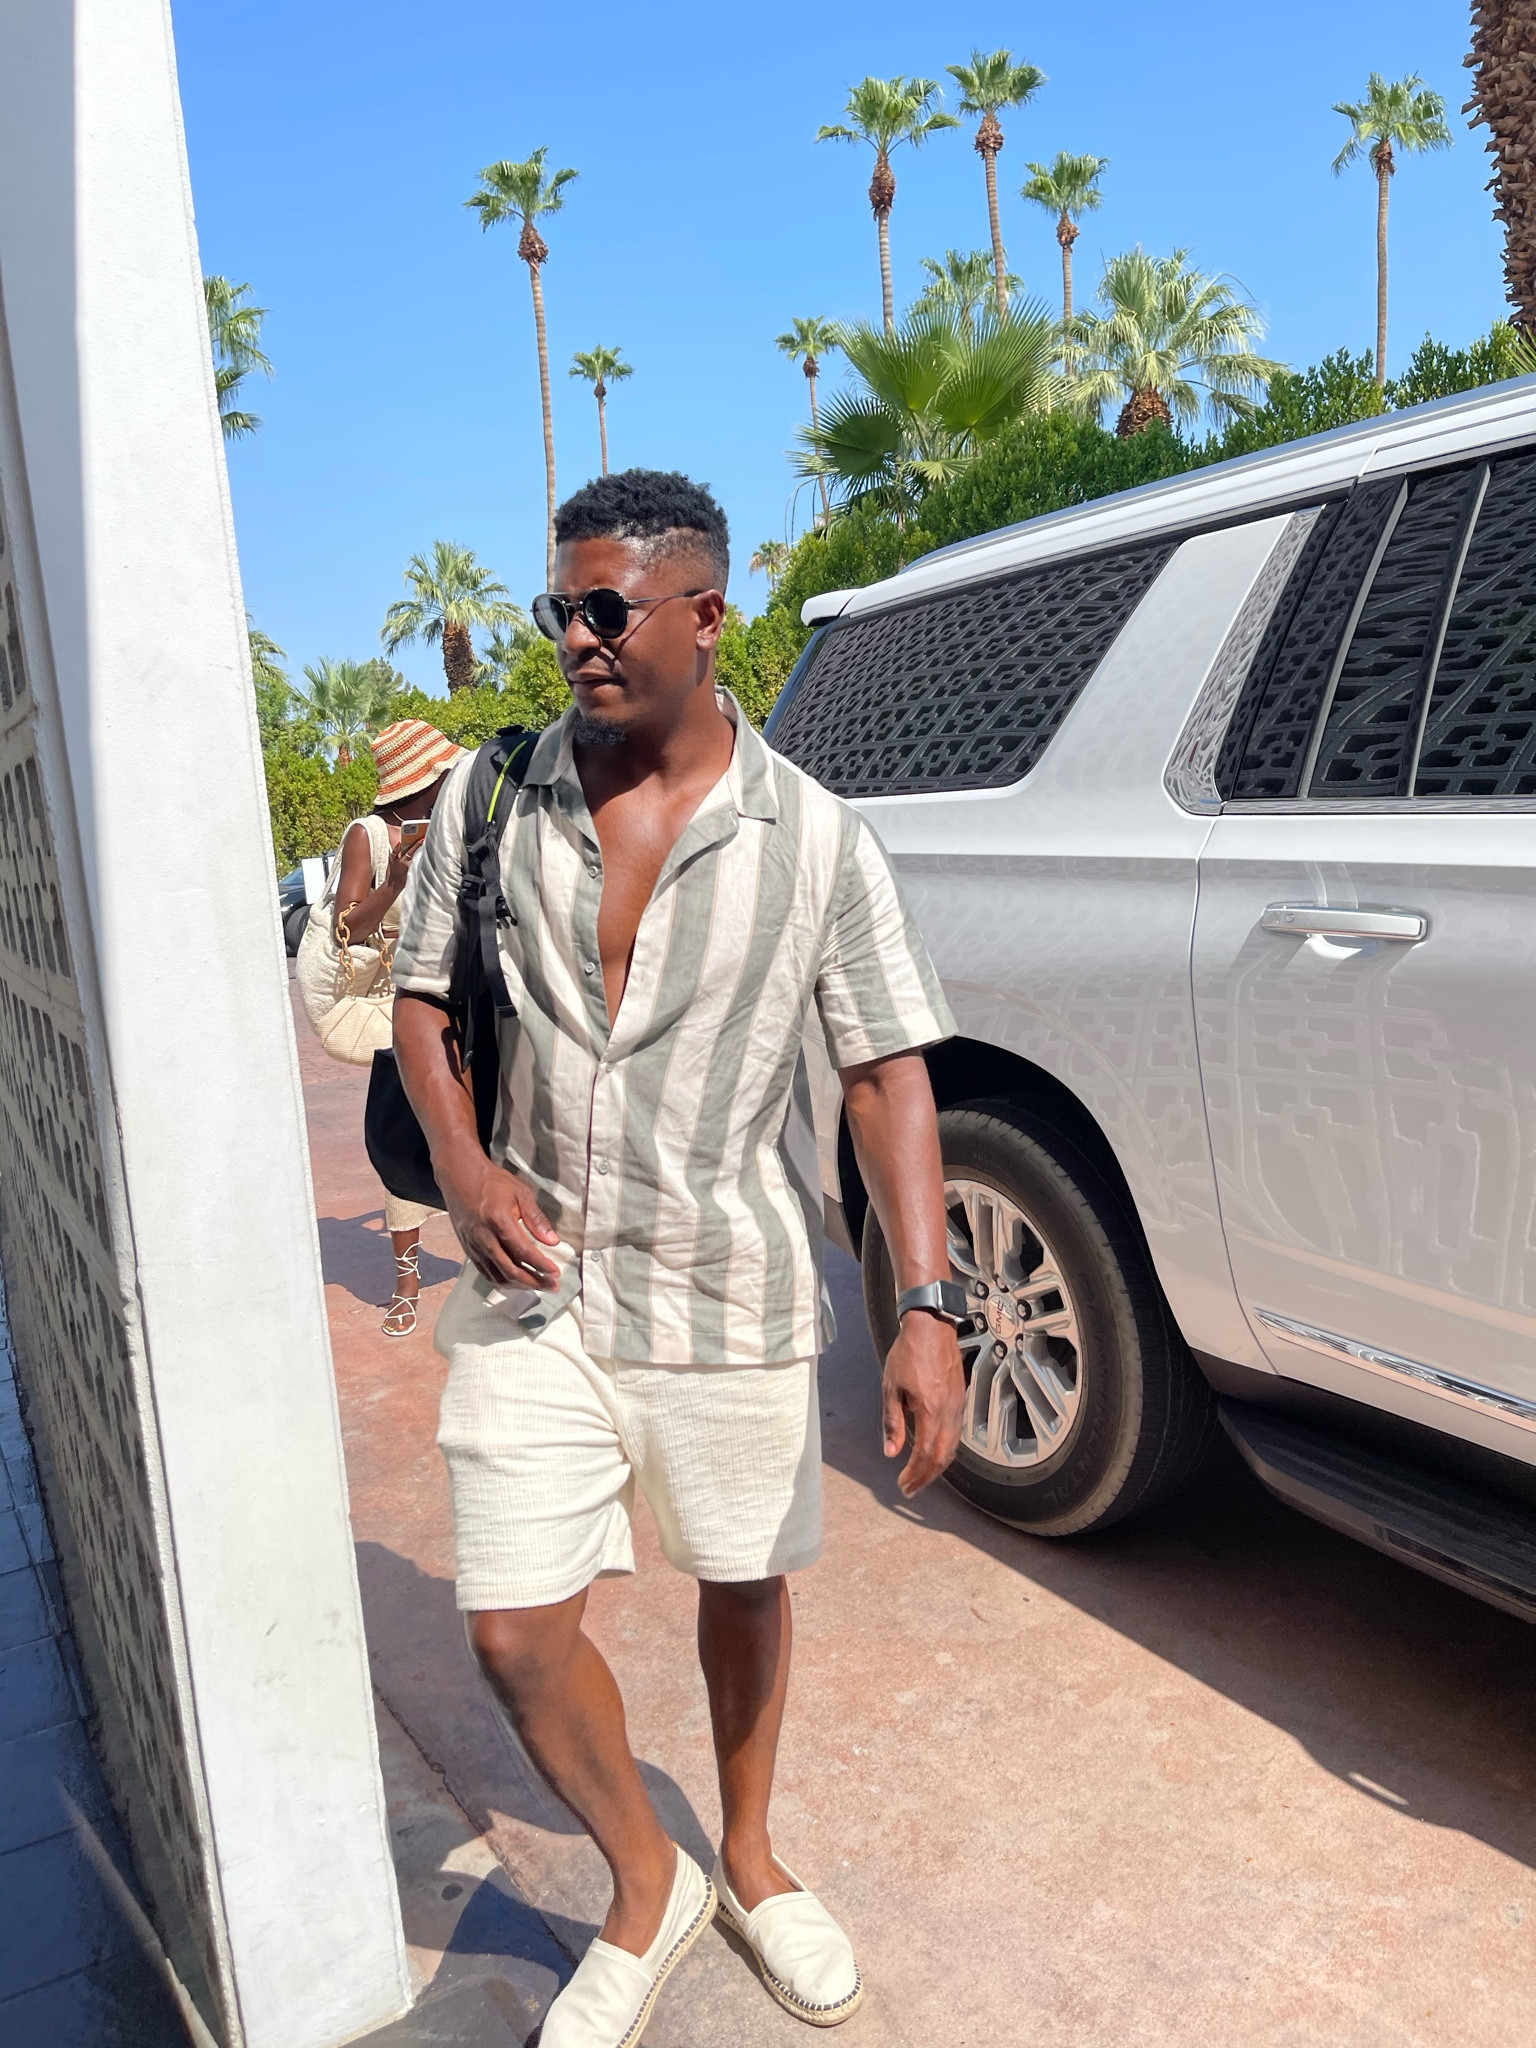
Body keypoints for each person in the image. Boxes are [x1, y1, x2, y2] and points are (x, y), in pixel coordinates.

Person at [393, 470, 964, 2047]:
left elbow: (887, 1070)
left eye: (605, 609)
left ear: (708, 617)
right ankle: (649, 1886)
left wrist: (926, 1306)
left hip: (731, 1280)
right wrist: (462, 1165)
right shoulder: (493, 797)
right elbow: (423, 1008)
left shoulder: (821, 842)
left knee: (742, 1578)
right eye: (554, 608)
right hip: (535, 1285)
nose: (572, 638)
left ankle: (755, 1856)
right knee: (511, 1626)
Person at [333, 718, 464, 1336]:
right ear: (423, 782)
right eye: (442, 776)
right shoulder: (369, 836)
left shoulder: (455, 824)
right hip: (400, 1003)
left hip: (461, 995)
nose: (449, 785)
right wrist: (395, 882)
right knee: (401, 1142)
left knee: (481, 1128)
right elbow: (348, 929)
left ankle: (501, 1268)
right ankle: (408, 1283)